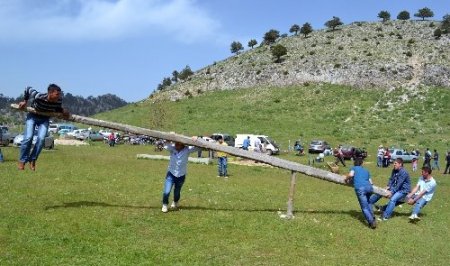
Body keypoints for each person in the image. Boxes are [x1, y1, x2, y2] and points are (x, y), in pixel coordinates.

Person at [18, 85, 69, 171]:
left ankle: (32, 160)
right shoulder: (39, 96)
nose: (59, 96)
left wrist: (63, 111)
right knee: (28, 137)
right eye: (57, 94)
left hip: (44, 119)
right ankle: (22, 161)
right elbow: (28, 88)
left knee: (41, 139)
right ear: (50, 93)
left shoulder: (59, 100)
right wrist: (25, 101)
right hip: (32, 116)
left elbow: (56, 108)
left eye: (59, 94)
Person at [161, 137, 201, 213]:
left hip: (181, 175)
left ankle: (175, 202)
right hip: (171, 174)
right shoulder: (172, 149)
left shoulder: (187, 150)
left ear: (183, 144)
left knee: (177, 192)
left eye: (179, 143)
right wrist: (169, 136)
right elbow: (166, 145)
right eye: (176, 143)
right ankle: (165, 204)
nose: (177, 145)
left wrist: (197, 139)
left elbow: (198, 148)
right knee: (167, 191)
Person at [344, 157, 376, 229]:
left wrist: (346, 179)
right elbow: (371, 182)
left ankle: (371, 221)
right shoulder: (366, 170)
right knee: (368, 203)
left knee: (364, 207)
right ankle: (372, 216)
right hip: (369, 188)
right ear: (362, 163)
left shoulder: (354, 168)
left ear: (354, 163)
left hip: (360, 188)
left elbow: (351, 175)